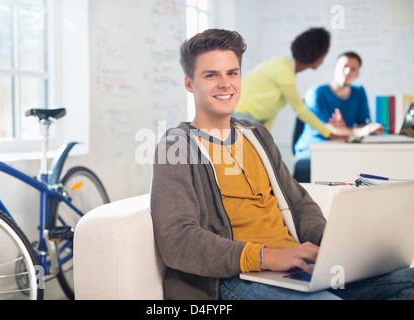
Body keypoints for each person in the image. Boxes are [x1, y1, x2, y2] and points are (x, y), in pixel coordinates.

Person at [150, 29, 413, 300]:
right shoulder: (176, 148)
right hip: (239, 277)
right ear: (189, 84)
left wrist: (329, 246)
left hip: (298, 267)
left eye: (232, 73)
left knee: (409, 280)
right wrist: (266, 257)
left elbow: (300, 203)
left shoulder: (257, 136)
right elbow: (178, 239)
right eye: (211, 75)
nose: (225, 83)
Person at [233, 27, 345, 141]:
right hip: (241, 115)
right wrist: (330, 134)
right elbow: (301, 111)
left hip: (248, 117)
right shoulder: (284, 71)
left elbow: (271, 110)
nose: (323, 60)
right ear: (315, 55)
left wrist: (264, 139)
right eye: (323, 55)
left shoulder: (285, 68)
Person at [293, 51, 384, 183]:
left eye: (353, 69)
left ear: (357, 74)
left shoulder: (359, 92)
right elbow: (328, 129)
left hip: (342, 147)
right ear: (335, 68)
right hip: (313, 148)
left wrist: (354, 129)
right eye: (344, 66)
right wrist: (356, 131)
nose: (348, 71)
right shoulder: (316, 92)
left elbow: (363, 125)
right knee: (305, 174)